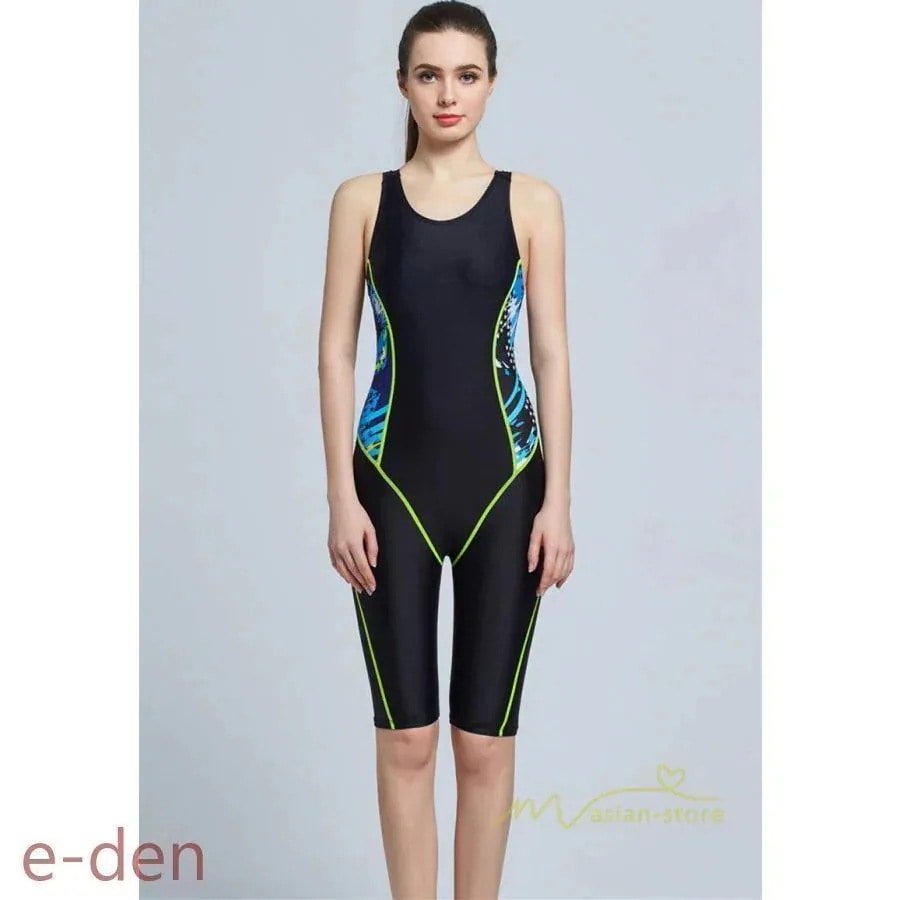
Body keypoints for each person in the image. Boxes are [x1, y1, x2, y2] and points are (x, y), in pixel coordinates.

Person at [317, 2, 574, 896]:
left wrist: (559, 501)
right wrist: (341, 498)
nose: (448, 93)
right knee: (406, 739)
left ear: (492, 83)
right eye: (429, 75)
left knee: (483, 744)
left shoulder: (531, 202)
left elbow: (550, 355)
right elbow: (335, 352)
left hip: (507, 488)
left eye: (467, 75)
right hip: (390, 488)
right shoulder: (362, 201)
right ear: (403, 84)